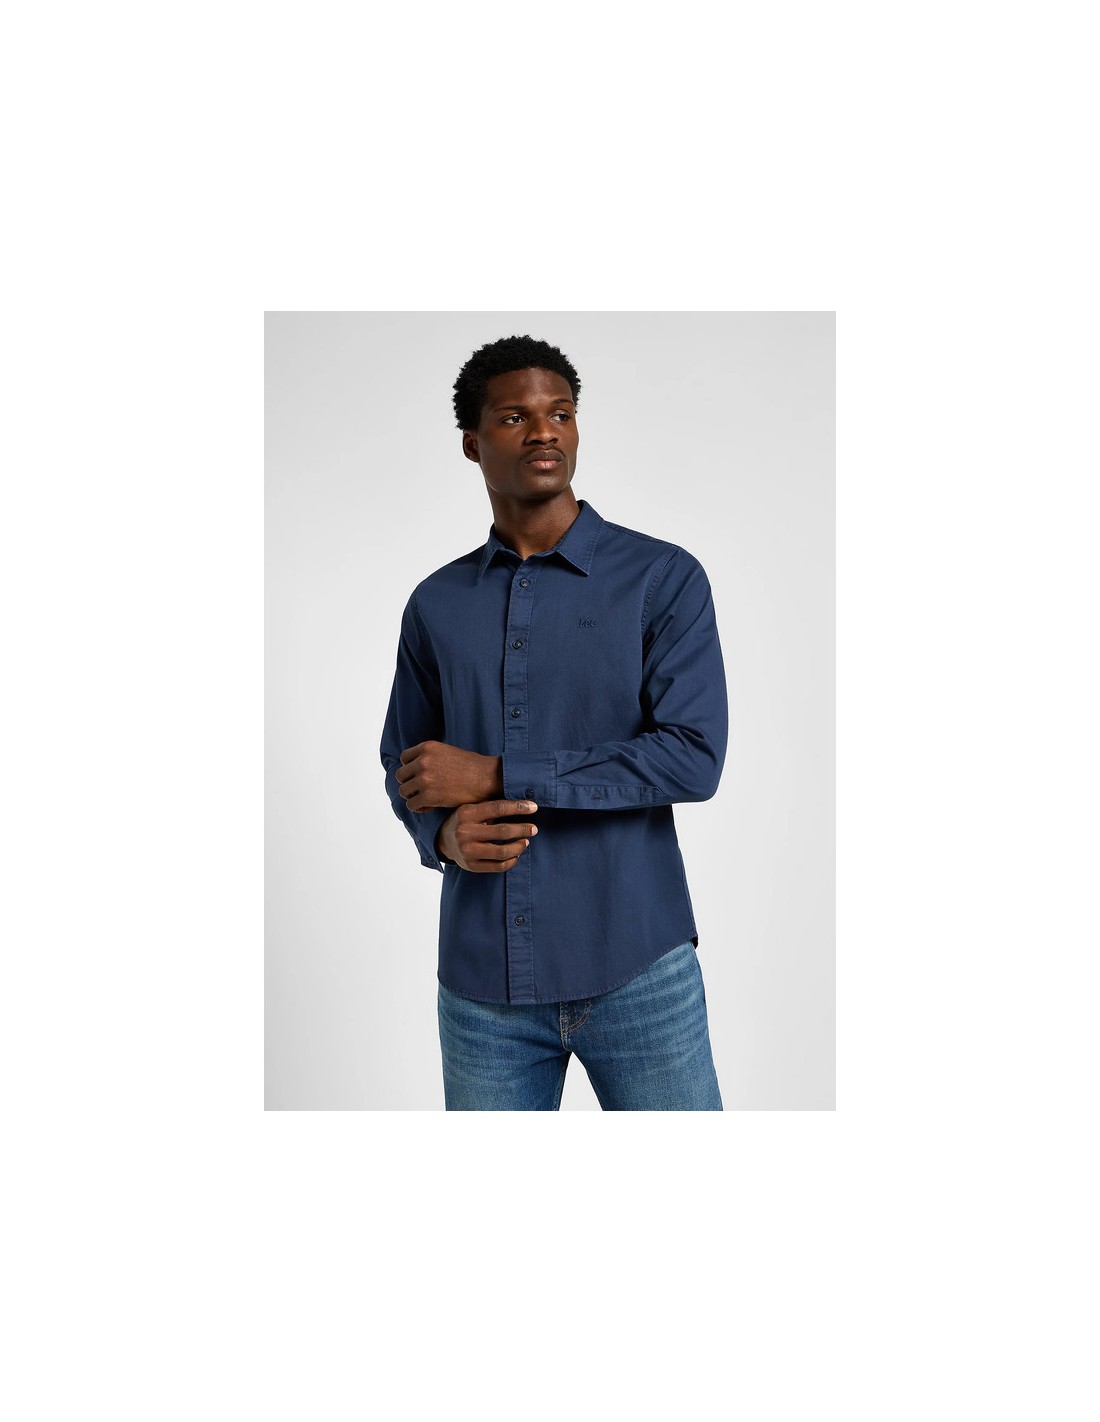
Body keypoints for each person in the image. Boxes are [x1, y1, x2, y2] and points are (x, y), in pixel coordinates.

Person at [379, 335, 728, 1111]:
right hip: (482, 989)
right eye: (515, 417)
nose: (544, 431)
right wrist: (442, 835)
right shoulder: (436, 604)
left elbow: (692, 757)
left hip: (638, 967)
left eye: (560, 413)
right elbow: (409, 766)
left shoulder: (662, 579)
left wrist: (498, 775)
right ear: (472, 443)